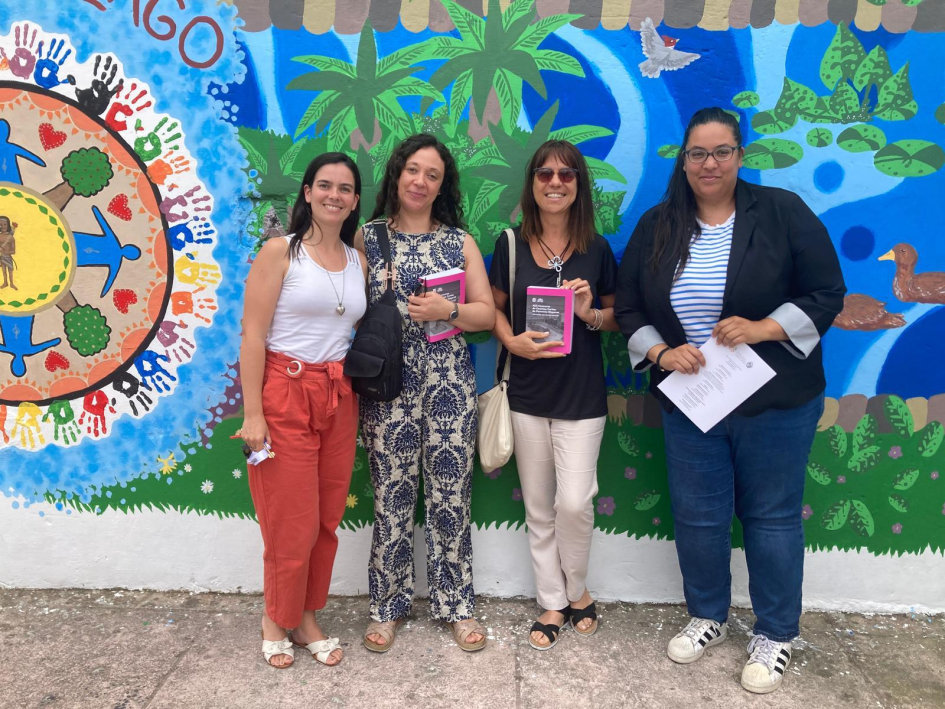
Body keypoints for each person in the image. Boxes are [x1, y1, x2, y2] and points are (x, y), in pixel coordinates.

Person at [615, 107, 845, 694]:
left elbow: (826, 291)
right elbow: (629, 308)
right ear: (684, 160)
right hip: (693, 401)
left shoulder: (782, 212)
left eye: (721, 151)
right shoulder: (659, 224)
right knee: (698, 516)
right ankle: (709, 615)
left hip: (776, 402)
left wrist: (765, 328)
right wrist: (662, 355)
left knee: (770, 518)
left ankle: (774, 634)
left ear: (740, 155)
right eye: (698, 153)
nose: (710, 163)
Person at [355, 133, 495, 653]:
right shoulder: (367, 239)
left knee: (450, 497)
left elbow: (487, 315)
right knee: (390, 497)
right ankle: (387, 607)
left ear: (443, 186)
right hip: (386, 388)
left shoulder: (458, 243)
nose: (420, 181)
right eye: (413, 170)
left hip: (449, 388)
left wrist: (448, 311)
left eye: (432, 175)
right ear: (397, 174)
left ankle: (456, 605)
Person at [238, 153, 368, 669]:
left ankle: (308, 616)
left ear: (356, 200)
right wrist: (253, 414)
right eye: (325, 185)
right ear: (308, 193)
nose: (335, 195)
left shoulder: (357, 257)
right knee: (289, 520)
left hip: (338, 396)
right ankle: (277, 618)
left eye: (346, 188)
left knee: (325, 519)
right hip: (284, 391)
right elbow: (253, 334)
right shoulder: (280, 252)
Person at [488, 140, 618, 650]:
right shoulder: (510, 245)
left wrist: (588, 313)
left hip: (582, 397)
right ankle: (552, 600)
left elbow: (618, 317)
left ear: (579, 184)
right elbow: (492, 307)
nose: (556, 182)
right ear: (532, 183)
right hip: (525, 393)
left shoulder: (599, 248)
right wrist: (509, 338)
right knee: (539, 507)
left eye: (567, 175)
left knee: (574, 503)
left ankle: (579, 587)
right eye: (545, 174)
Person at [0, 216, 17, 290]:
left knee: (10, 272)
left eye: (5, 224)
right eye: (1, 225)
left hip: (8, 257)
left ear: (8, 225)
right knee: (3, 271)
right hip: (2, 257)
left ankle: (12, 283)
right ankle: (5, 282)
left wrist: (7, 251)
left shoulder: (11, 238)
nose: (3, 226)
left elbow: (13, 251)